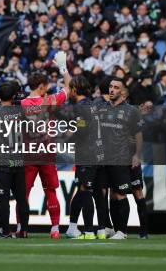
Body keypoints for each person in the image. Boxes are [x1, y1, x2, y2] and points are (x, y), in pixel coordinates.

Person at [19, 51, 71, 239]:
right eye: (46, 87)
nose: (48, 89)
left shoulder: (21, 103)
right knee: (50, 190)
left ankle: (21, 228)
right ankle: (55, 229)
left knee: (23, 193)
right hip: (47, 153)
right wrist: (63, 68)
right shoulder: (50, 101)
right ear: (41, 87)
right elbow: (69, 88)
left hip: (28, 154)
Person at [97, 76, 144, 240]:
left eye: (116, 87)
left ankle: (122, 232)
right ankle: (113, 229)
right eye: (110, 86)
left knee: (120, 194)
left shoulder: (131, 111)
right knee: (108, 195)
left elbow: (138, 135)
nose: (112, 90)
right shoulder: (101, 108)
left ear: (122, 92)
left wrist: (137, 155)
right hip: (103, 159)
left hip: (121, 158)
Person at [0, 81, 30, 238]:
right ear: (14, 96)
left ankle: (5, 231)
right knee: (21, 199)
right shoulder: (20, 112)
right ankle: (24, 230)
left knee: (3, 200)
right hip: (19, 161)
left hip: (2, 162)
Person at [64, 75, 98, 239]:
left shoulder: (81, 107)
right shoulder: (91, 104)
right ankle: (72, 227)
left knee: (86, 191)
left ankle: (90, 231)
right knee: (82, 189)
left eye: (70, 88)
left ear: (75, 89)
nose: (69, 91)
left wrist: (69, 134)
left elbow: (82, 128)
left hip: (87, 153)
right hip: (92, 152)